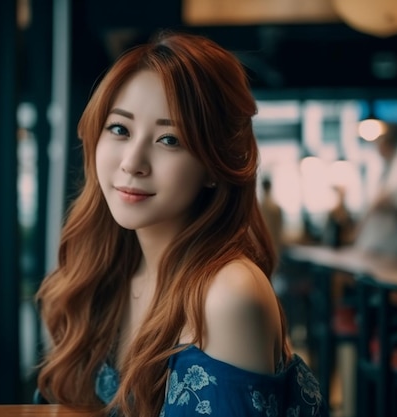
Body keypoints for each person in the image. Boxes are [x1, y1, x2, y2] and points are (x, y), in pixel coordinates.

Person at [35, 30, 327, 417]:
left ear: (213, 166)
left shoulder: (227, 294)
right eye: (120, 129)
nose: (132, 162)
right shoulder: (110, 272)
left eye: (170, 139)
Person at [353, 123, 397, 258]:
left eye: (380, 142)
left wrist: (383, 202)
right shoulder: (382, 168)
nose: (377, 147)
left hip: (392, 243)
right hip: (375, 241)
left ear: (389, 143)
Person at [260, 177, 284, 257]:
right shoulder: (275, 207)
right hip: (273, 241)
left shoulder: (260, 207)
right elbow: (279, 227)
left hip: (264, 241)